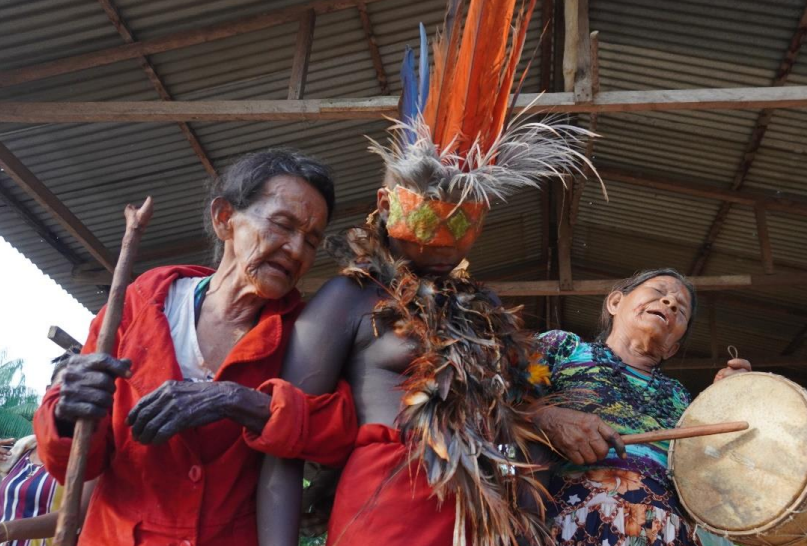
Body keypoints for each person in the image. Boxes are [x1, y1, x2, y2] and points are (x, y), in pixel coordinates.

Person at [256, 2, 597, 544]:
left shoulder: (483, 311)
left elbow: (514, 414)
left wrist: (546, 416)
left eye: (466, 219)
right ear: (387, 202)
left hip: (484, 517)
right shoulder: (350, 296)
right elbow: (284, 439)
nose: (447, 240)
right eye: (431, 214)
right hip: (387, 510)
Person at [33, 149, 357, 546]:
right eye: (282, 225)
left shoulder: (303, 332)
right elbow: (77, 461)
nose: (296, 250)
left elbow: (338, 431)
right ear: (224, 219)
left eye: (311, 239)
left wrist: (236, 401)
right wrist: (68, 414)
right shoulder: (140, 304)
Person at [531, 269, 752, 546]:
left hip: (667, 532)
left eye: (680, 310)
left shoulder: (681, 398)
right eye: (659, 292)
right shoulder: (564, 348)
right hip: (572, 522)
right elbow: (491, 398)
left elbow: (709, 475)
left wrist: (731, 400)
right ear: (614, 303)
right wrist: (545, 417)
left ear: (673, 347)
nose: (670, 303)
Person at [0, 350, 96, 546]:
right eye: (63, 386)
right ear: (47, 391)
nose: (70, 396)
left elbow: (75, 516)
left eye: (80, 390)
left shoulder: (93, 455)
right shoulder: (21, 451)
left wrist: (5, 530)